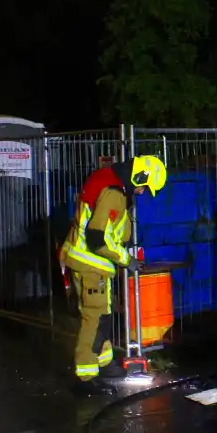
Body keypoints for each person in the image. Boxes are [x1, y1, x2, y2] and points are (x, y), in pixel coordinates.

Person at [59, 155, 167, 396]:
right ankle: (86, 376)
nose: (141, 193)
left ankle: (104, 364)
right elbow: (98, 238)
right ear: (139, 177)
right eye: (143, 187)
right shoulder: (115, 194)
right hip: (92, 264)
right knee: (95, 320)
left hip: (86, 262)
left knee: (101, 315)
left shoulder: (106, 180)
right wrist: (127, 260)